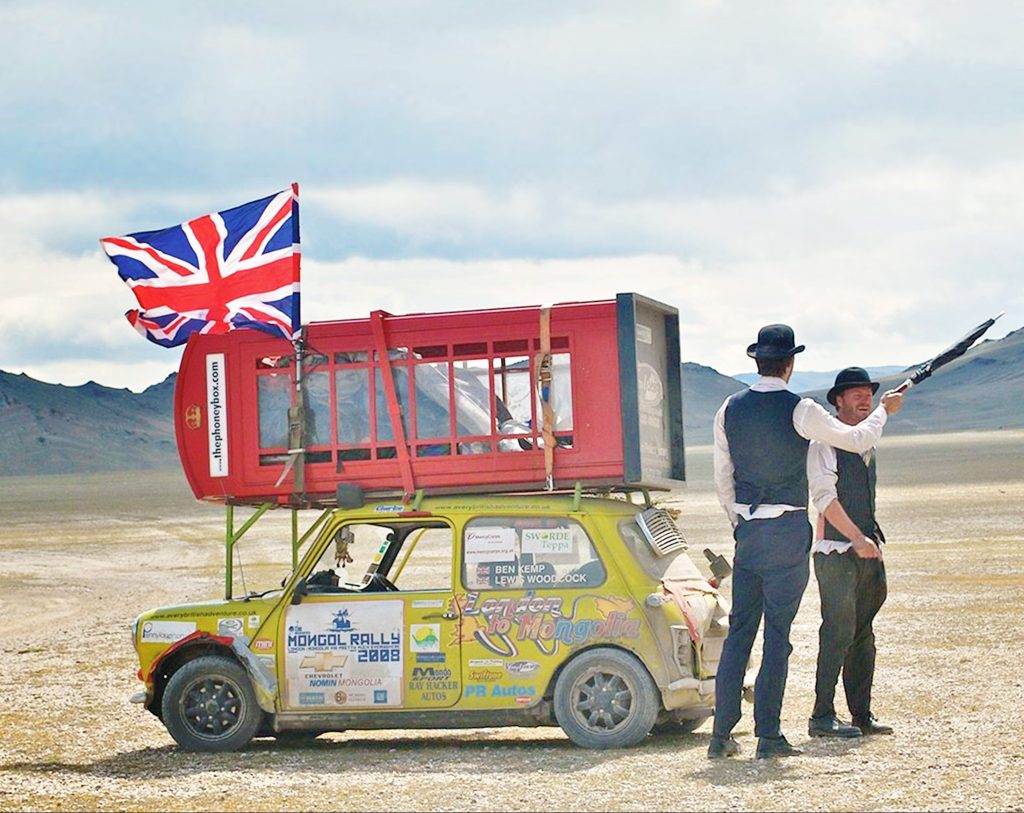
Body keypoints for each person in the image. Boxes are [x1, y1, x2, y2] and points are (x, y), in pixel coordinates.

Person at [708, 325, 903, 760]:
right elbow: (856, 439)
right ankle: (769, 735)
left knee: (741, 630)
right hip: (788, 528)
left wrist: (738, 522)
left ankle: (721, 734)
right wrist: (885, 411)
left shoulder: (728, 408)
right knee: (777, 633)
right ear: (790, 364)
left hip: (749, 531)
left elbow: (724, 476)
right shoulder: (801, 409)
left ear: (757, 361)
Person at [807, 367, 895, 738]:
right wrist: (857, 538)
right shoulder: (823, 444)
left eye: (868, 394)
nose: (865, 400)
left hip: (865, 549)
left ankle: (861, 713)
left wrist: (866, 540)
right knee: (838, 632)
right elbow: (825, 499)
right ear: (838, 401)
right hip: (836, 552)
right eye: (855, 394)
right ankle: (821, 715)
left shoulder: (865, 444)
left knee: (864, 633)